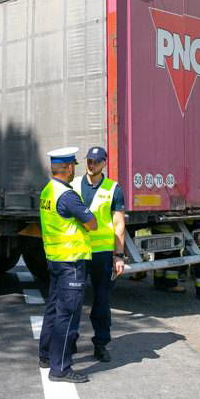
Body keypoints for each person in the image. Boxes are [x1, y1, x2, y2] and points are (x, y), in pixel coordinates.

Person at [38, 146, 97, 383]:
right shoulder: (68, 196)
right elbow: (91, 223)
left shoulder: (48, 190)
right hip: (71, 262)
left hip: (55, 259)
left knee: (53, 309)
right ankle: (60, 368)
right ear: (69, 168)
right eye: (74, 166)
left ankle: (46, 356)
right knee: (68, 315)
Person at [70, 146, 125, 362]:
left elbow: (118, 223)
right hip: (78, 251)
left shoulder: (113, 188)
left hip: (102, 254)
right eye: (89, 161)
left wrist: (118, 255)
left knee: (102, 300)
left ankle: (101, 344)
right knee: (73, 299)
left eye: (96, 161)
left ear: (104, 163)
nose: (91, 165)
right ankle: (70, 341)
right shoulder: (74, 185)